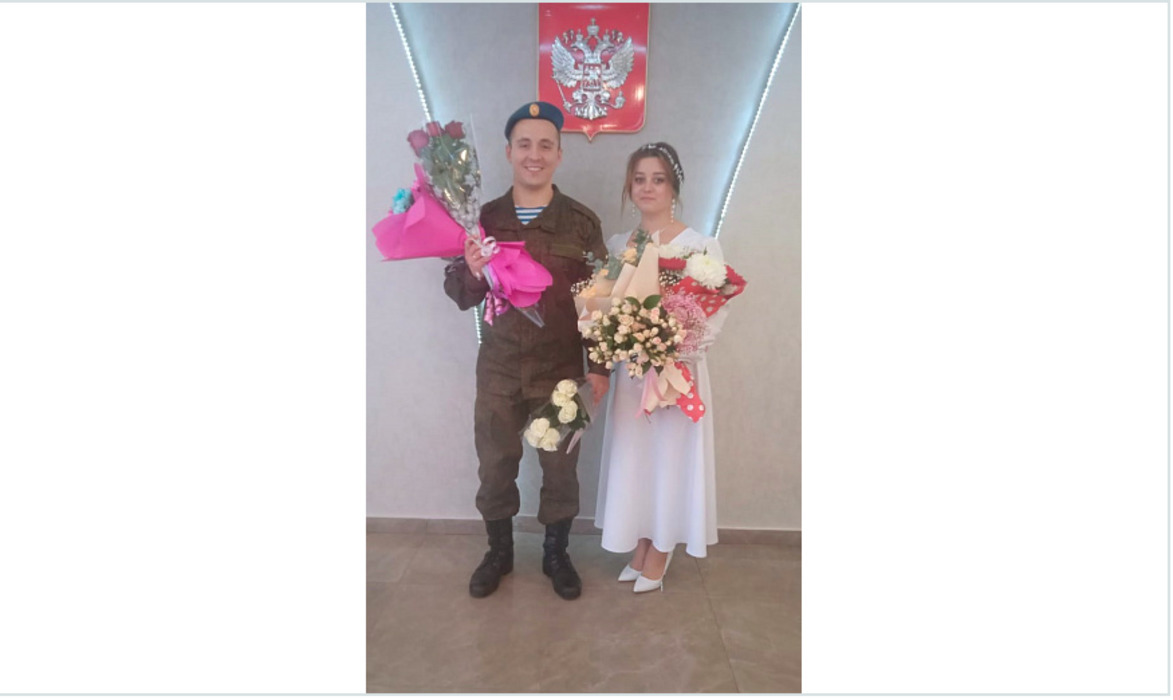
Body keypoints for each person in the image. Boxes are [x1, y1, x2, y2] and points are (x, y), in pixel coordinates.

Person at [443, 101, 610, 601]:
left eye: (545, 145)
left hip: (560, 372)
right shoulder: (481, 219)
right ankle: (499, 551)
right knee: (495, 465)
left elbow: (598, 301)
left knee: (560, 469)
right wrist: (474, 270)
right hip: (498, 370)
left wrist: (599, 368)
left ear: (558, 154)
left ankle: (556, 553)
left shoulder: (580, 223)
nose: (534, 155)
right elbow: (458, 292)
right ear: (508, 152)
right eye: (524, 145)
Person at [593, 142, 730, 593]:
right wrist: (624, 340)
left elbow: (713, 314)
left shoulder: (699, 246)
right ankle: (640, 543)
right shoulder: (621, 246)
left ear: (674, 187)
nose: (647, 188)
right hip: (634, 375)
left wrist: (674, 349)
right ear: (629, 187)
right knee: (636, 460)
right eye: (639, 179)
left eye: (658, 179)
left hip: (677, 373)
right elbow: (603, 308)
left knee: (669, 457)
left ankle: (662, 548)